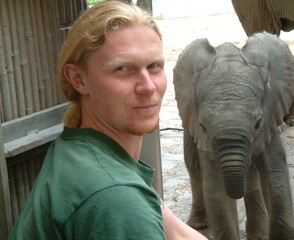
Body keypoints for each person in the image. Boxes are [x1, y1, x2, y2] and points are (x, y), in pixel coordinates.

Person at [8, 1, 207, 239]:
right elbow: (123, 201)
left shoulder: (79, 148)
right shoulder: (114, 195)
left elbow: (176, 232)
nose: (148, 86)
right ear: (78, 79)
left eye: (154, 66)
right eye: (123, 69)